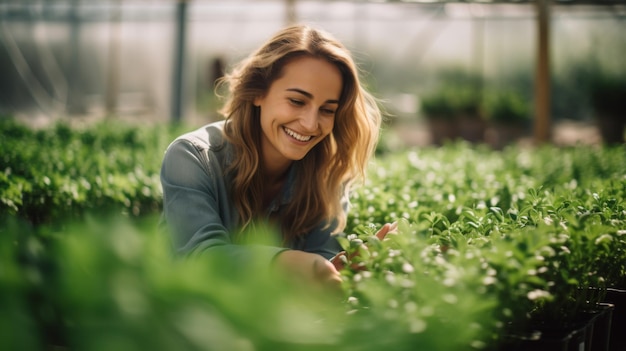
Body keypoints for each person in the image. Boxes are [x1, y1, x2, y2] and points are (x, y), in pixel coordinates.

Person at [160, 24, 396, 292]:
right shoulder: (191, 157)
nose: (310, 124)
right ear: (258, 92)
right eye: (297, 101)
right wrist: (288, 262)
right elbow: (199, 258)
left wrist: (343, 267)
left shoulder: (328, 174)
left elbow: (318, 262)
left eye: (327, 110)